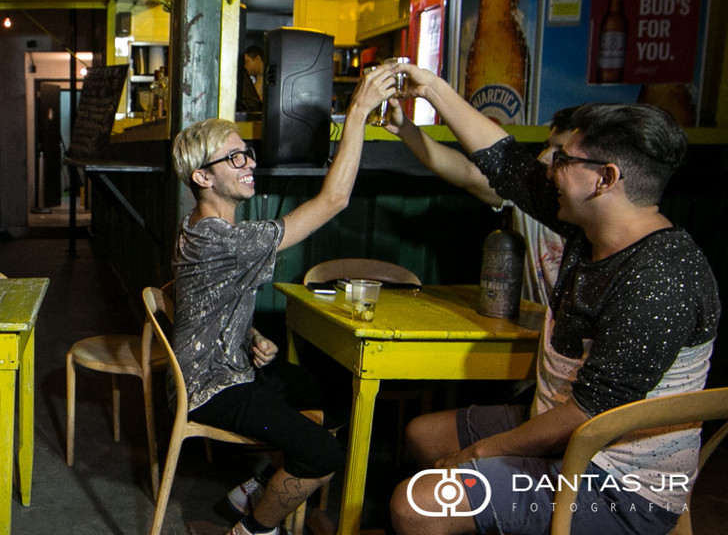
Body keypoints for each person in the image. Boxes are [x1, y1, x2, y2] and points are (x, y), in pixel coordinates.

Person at [388, 67, 720, 535]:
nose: (549, 167)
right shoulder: (591, 227)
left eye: (563, 159)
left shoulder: (660, 278)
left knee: (415, 506)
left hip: (618, 487)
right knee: (423, 436)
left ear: (605, 179)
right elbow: (505, 163)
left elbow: (588, 413)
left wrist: (478, 452)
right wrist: (433, 88)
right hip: (564, 432)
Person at [169, 62, 397, 535]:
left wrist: (249, 332)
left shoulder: (200, 227)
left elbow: (206, 298)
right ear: (203, 178)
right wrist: (357, 111)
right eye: (234, 158)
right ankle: (253, 530)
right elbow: (333, 200)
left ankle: (256, 488)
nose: (249, 163)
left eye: (246, 154)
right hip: (212, 387)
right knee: (323, 453)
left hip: (224, 365)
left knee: (329, 394)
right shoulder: (225, 239)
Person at [383, 102, 576, 305]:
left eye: (560, 152)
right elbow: (467, 173)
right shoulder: (531, 193)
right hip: (530, 323)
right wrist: (404, 127)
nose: (544, 157)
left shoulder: (590, 222)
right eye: (546, 146)